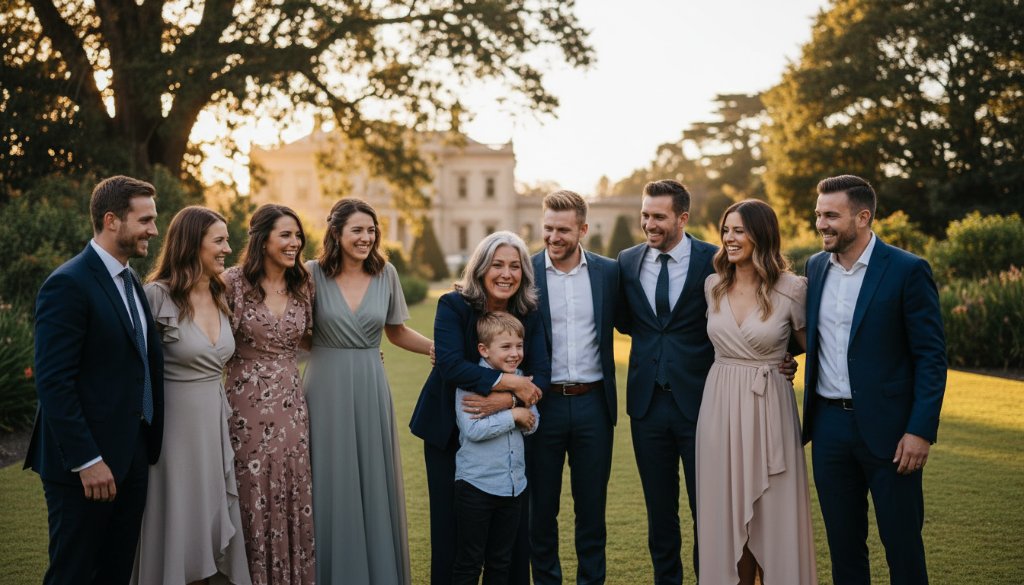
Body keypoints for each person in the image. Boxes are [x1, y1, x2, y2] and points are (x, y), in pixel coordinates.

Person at [616, 180, 796, 584]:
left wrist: (781, 358)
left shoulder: (713, 262)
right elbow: (625, 320)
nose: (649, 224)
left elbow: (765, 313)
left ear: (683, 218)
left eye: (658, 217)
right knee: (659, 513)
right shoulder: (627, 262)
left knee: (712, 512)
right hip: (646, 406)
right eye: (645, 215)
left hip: (705, 406)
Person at [802, 175, 946, 585]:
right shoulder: (815, 267)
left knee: (902, 546)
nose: (821, 224)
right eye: (818, 215)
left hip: (891, 432)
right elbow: (814, 335)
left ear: (863, 217)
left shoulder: (908, 270)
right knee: (844, 548)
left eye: (832, 215)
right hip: (828, 429)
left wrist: (920, 431)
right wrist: (783, 360)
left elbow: (931, 359)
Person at [25, 175, 165, 585]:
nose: (154, 231)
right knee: (73, 573)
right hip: (84, 467)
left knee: (115, 573)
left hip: (132, 455)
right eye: (146, 220)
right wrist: (87, 461)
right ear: (111, 220)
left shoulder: (131, 280)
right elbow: (53, 382)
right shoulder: (68, 284)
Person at [303, 198, 433, 585]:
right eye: (357, 230)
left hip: (370, 385)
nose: (366, 237)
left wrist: (439, 348)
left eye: (371, 230)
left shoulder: (386, 272)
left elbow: (396, 331)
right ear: (336, 232)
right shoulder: (311, 273)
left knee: (372, 480)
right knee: (328, 479)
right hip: (324, 386)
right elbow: (294, 328)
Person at [410, 231, 550, 585]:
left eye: (515, 266)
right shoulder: (453, 305)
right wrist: (513, 383)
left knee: (509, 535)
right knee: (451, 531)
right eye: (497, 264)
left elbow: (542, 373)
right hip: (449, 431)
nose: (506, 273)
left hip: (509, 437)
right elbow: (451, 365)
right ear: (481, 268)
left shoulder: (529, 313)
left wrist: (509, 400)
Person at [695, 199, 817, 584]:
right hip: (719, 409)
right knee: (725, 512)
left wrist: (785, 359)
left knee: (774, 511)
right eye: (726, 230)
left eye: (739, 230)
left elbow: (814, 346)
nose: (730, 238)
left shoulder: (793, 288)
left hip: (770, 410)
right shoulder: (713, 285)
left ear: (761, 234)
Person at [132, 206, 251, 585]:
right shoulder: (155, 296)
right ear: (190, 243)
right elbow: (131, 369)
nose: (227, 249)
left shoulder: (221, 293)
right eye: (218, 241)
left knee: (205, 522)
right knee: (175, 521)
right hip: (172, 432)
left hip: (213, 426)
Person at [529, 190, 619, 585]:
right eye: (548, 227)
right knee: (540, 510)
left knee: (592, 510)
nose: (553, 236)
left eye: (563, 229)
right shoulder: (524, 272)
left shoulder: (609, 273)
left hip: (593, 406)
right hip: (541, 406)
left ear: (583, 229)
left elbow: (645, 325)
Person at [223, 204, 316, 585]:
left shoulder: (302, 284)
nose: (294, 243)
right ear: (262, 240)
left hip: (293, 407)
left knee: (292, 489)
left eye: (297, 235)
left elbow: (312, 338)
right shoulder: (232, 283)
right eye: (285, 235)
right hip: (244, 408)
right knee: (250, 493)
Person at [453, 311, 541, 585]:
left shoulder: (522, 378)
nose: (515, 353)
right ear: (484, 349)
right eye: (506, 347)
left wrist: (523, 413)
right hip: (476, 487)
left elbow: (534, 422)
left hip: (513, 486)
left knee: (500, 562)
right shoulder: (471, 381)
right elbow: (474, 429)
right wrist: (514, 415)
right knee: (469, 562)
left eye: (519, 346)